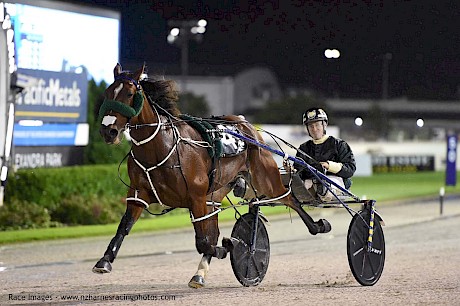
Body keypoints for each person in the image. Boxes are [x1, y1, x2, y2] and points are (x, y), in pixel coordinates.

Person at [294, 107, 356, 201]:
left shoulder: (339, 145)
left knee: (322, 185)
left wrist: (329, 165)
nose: (314, 129)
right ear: (307, 129)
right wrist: (291, 170)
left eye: (317, 125)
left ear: (324, 125)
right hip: (311, 183)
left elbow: (350, 169)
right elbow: (299, 172)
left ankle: (322, 190)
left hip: (337, 183)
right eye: (311, 126)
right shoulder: (303, 148)